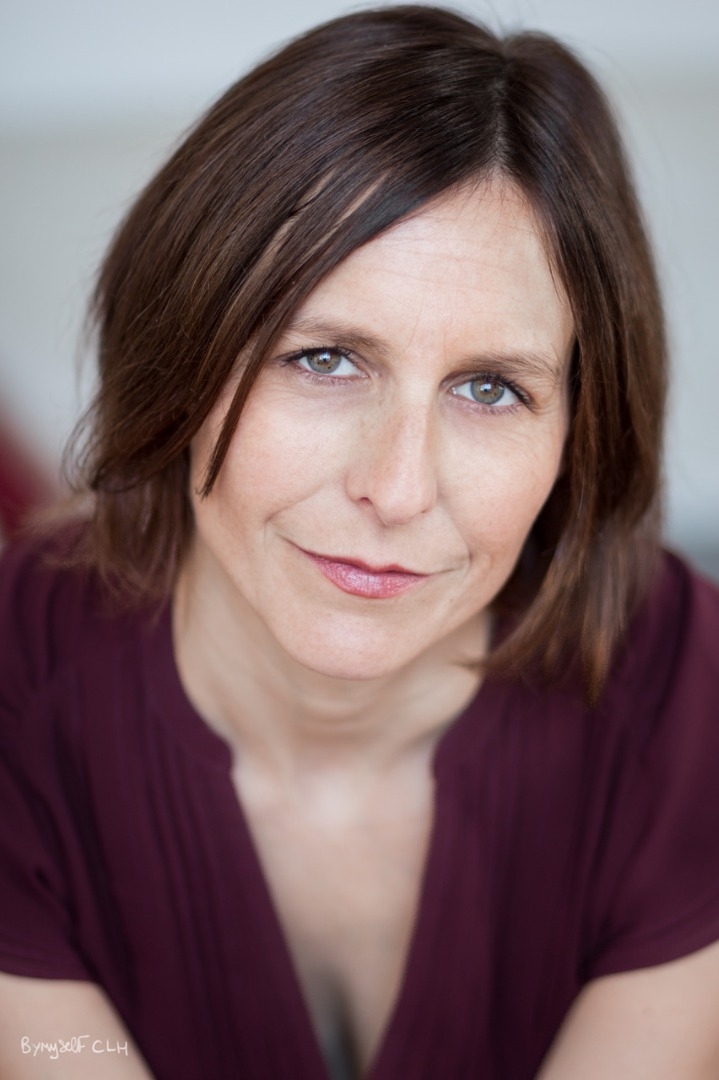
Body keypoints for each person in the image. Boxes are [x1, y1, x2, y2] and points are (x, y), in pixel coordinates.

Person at [1, 5, 718, 1078]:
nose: (395, 489)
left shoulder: (680, 694)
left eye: (490, 388)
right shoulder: (17, 689)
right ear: (181, 353)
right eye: (325, 359)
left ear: (578, 433)